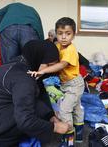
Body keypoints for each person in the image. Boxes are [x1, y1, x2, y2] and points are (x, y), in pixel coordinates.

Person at [0, 40, 70, 147]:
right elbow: (25, 120)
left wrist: (51, 116)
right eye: (49, 65)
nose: (50, 70)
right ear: (39, 57)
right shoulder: (23, 79)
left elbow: (38, 94)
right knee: (25, 118)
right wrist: (55, 127)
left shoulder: (24, 64)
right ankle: (1, 143)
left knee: (33, 107)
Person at [28, 17, 85, 146]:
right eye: (60, 33)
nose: (64, 37)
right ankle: (80, 131)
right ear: (56, 34)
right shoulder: (57, 45)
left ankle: (68, 139)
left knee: (64, 110)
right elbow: (49, 55)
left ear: (74, 35)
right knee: (75, 107)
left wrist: (43, 71)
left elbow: (61, 65)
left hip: (74, 84)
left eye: (68, 34)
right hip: (66, 83)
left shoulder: (70, 49)